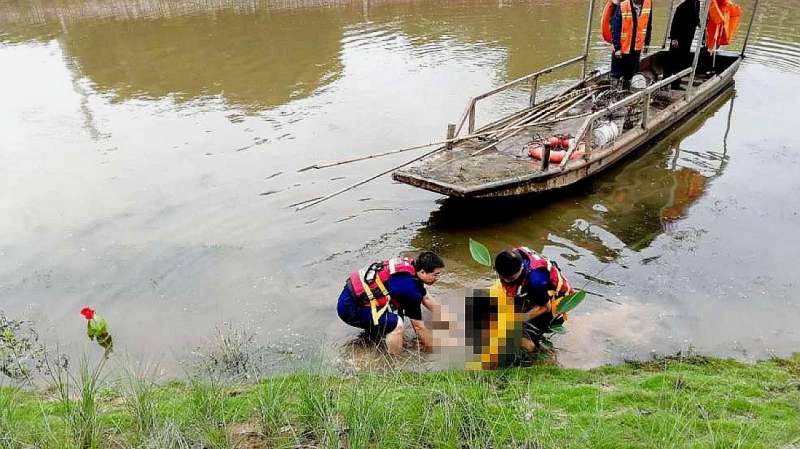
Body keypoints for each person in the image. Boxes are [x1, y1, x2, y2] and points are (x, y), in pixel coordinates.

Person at [336, 251, 445, 354]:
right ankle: (394, 361)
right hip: (350, 309)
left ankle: (372, 339)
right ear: (422, 272)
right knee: (397, 324)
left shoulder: (411, 268)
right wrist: (434, 351)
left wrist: (448, 317)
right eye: (435, 274)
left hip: (351, 296)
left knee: (389, 321)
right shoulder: (410, 290)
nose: (437, 278)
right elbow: (418, 327)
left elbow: (426, 298)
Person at [494, 247, 574, 352]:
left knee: (521, 338)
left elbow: (546, 307)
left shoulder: (535, 281)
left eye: (511, 279)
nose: (506, 281)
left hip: (556, 300)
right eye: (502, 277)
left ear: (521, 268)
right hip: (537, 289)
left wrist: (519, 320)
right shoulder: (512, 256)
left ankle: (536, 353)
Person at [611, 0, 653, 90]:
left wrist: (646, 43)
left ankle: (625, 93)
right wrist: (617, 47)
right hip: (622, 47)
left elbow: (648, 25)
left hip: (636, 47)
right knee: (616, 73)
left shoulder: (648, 4)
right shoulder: (623, 5)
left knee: (630, 74)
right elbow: (616, 27)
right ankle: (613, 93)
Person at [666, 0, 700, 89]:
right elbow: (675, 23)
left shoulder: (697, 3)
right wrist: (674, 38)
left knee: (682, 60)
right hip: (678, 38)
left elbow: (696, 18)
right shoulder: (682, 7)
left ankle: (676, 84)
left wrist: (700, 23)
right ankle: (664, 82)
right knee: (672, 59)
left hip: (688, 38)